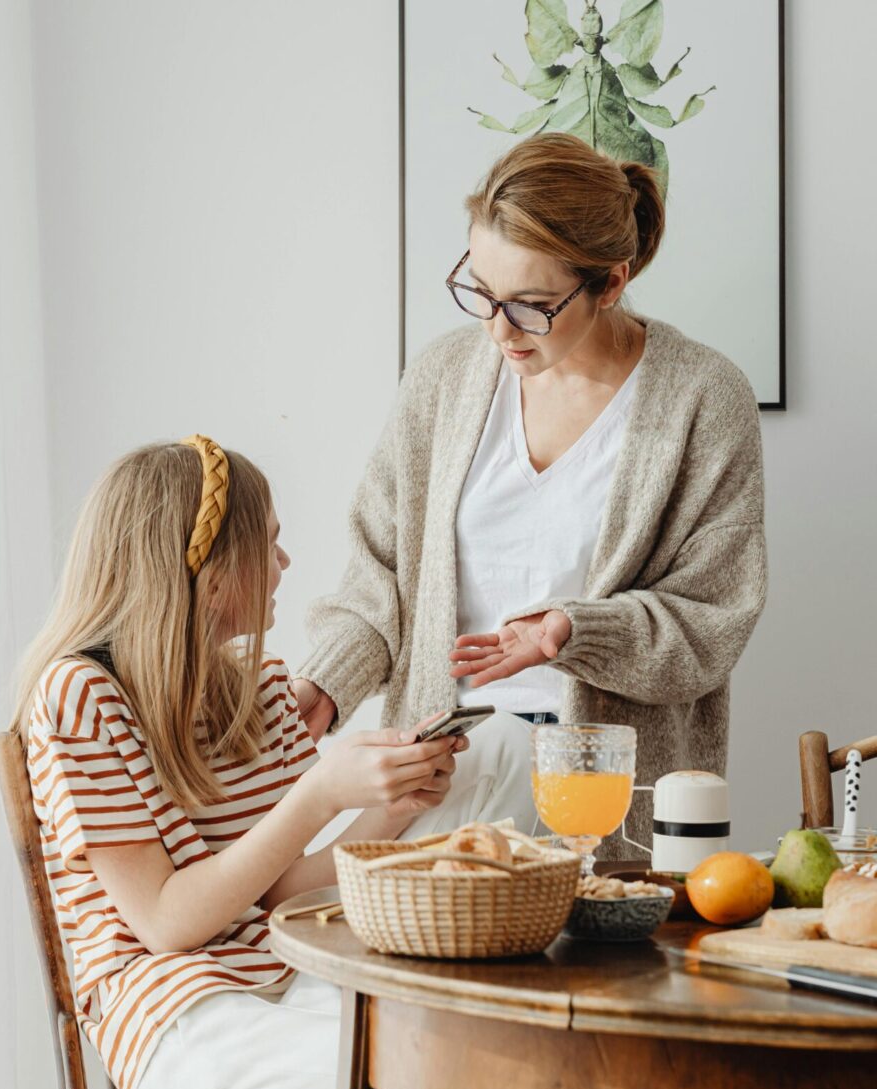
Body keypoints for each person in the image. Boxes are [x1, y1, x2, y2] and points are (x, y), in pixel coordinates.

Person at [11, 436, 571, 1089]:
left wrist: (396, 803)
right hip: (183, 1017)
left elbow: (283, 896)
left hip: (298, 973)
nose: (284, 566)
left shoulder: (257, 686)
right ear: (210, 574)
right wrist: (323, 794)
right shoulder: (80, 696)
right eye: (268, 545)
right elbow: (169, 923)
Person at [295, 132, 767, 859]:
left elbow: (712, 618)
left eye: (532, 305)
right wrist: (326, 683)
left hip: (603, 800)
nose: (497, 329)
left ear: (610, 282)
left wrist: (575, 632)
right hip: (442, 769)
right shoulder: (443, 381)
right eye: (481, 291)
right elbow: (380, 575)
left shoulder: (702, 398)